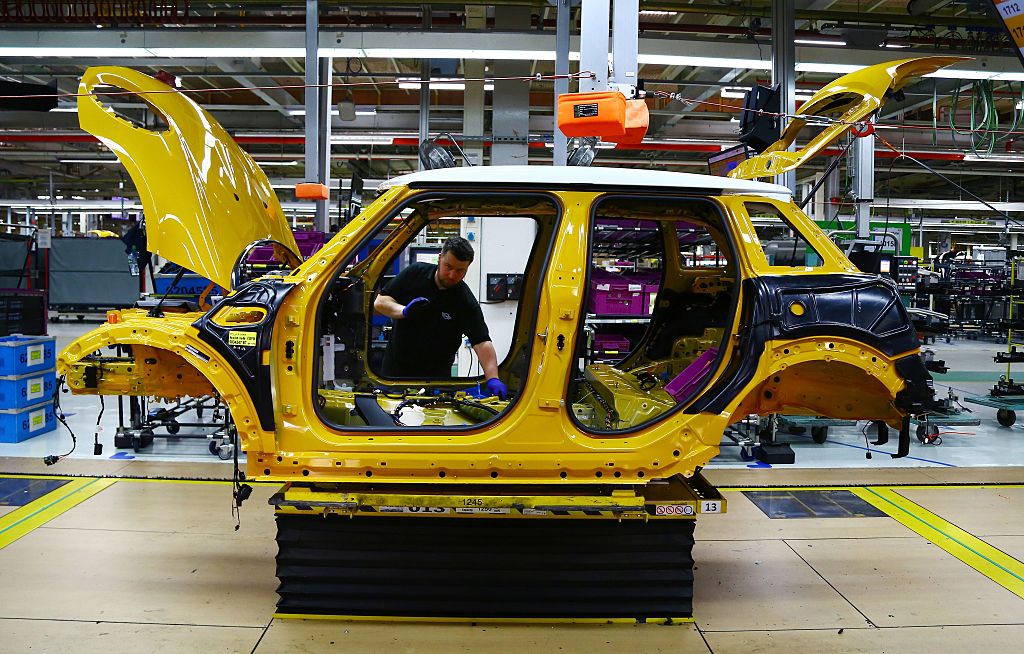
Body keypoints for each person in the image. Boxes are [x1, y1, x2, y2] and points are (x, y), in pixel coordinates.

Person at [373, 236, 509, 400]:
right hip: (394, 376)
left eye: (460, 271)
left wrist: (493, 378)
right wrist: (404, 311)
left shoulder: (465, 301)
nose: (452, 275)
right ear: (440, 258)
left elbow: (482, 342)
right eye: (448, 266)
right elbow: (380, 302)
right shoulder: (415, 274)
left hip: (437, 381)